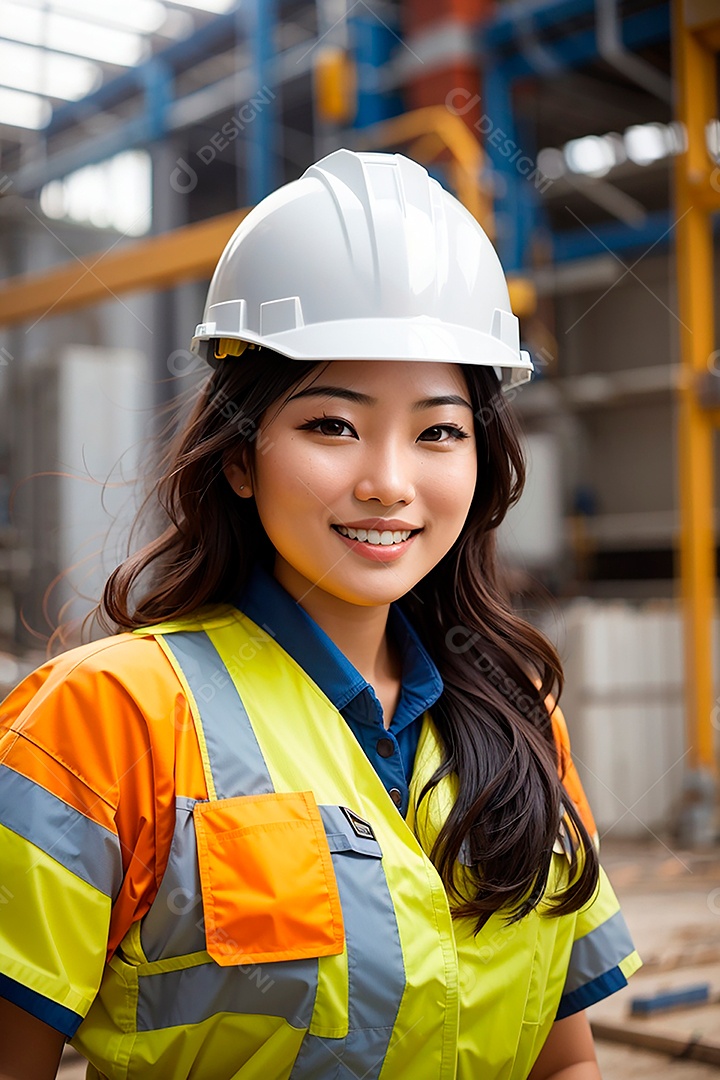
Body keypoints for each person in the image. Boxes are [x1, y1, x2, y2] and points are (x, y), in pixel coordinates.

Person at [0, 149, 640, 1080]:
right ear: (239, 456)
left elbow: (563, 1063)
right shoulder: (103, 724)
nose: (388, 482)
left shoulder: (518, 722)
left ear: (481, 458)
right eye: (331, 424)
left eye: (438, 431)